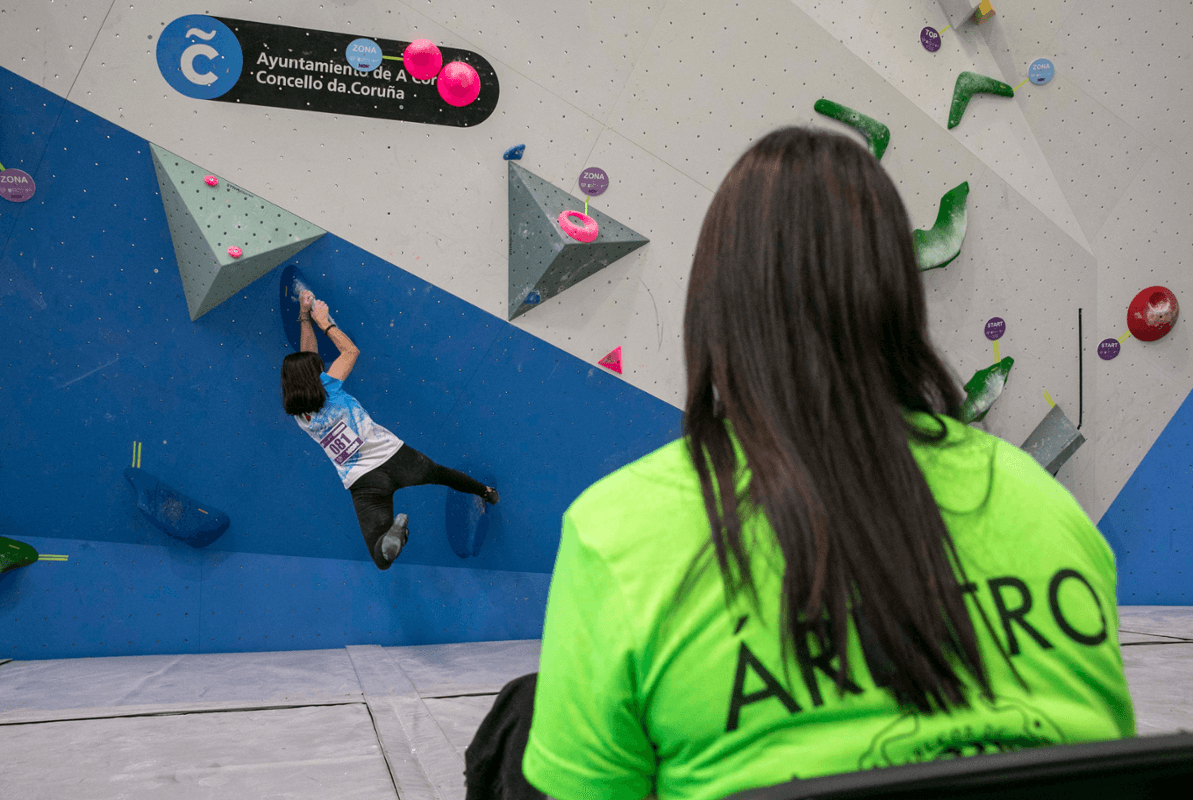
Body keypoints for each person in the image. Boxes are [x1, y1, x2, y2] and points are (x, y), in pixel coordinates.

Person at [521, 128, 1134, 800]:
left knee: (522, 720)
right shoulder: (1045, 508)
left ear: (717, 301)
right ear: (900, 296)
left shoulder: (617, 533)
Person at [281, 291, 498, 570]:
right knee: (441, 474)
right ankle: (487, 492)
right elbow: (350, 352)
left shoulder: (301, 417)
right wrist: (323, 322)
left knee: (380, 556)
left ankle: (397, 537)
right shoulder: (330, 388)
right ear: (316, 377)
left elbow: (306, 356)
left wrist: (303, 316)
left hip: (363, 482)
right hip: (397, 458)